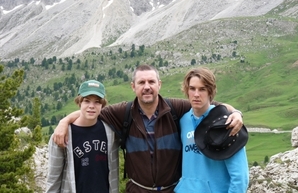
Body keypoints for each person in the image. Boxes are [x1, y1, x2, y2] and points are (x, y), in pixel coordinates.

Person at [53, 65, 244, 193]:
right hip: (137, 190)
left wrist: (235, 112)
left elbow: (209, 105)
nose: (147, 87)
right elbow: (91, 111)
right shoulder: (123, 112)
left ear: (159, 85)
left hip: (172, 189)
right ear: (133, 86)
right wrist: (64, 122)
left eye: (151, 82)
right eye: (141, 82)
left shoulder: (176, 108)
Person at [174, 67, 249, 193]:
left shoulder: (226, 123)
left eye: (202, 89)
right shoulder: (184, 120)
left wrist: (236, 112)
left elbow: (240, 178)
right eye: (192, 88)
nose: (196, 94)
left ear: (210, 91)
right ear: (187, 90)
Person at [46, 80, 119, 193]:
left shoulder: (110, 131)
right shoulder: (62, 135)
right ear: (79, 103)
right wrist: (64, 122)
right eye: (87, 101)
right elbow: (53, 178)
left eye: (97, 102)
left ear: (102, 105)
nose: (91, 106)